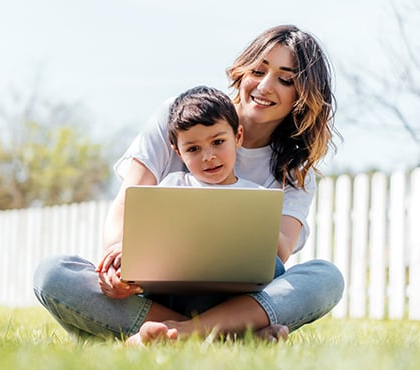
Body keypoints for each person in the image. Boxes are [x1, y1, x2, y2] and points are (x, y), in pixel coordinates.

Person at [33, 24, 344, 345]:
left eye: (285, 79)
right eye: (258, 70)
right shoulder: (181, 114)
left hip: (234, 296)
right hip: (159, 290)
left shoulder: (295, 171)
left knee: (326, 278)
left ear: (303, 94)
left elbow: (277, 257)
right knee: (54, 274)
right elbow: (128, 201)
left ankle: (177, 333)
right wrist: (116, 258)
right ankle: (232, 336)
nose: (265, 86)